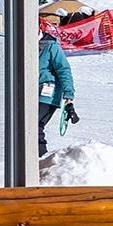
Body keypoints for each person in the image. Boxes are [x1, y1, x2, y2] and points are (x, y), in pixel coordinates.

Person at [37, 10, 78, 157]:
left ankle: (40, 160)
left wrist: (68, 96)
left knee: (34, 126)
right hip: (30, 93)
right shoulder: (21, 45)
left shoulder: (50, 46)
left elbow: (64, 70)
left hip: (48, 93)